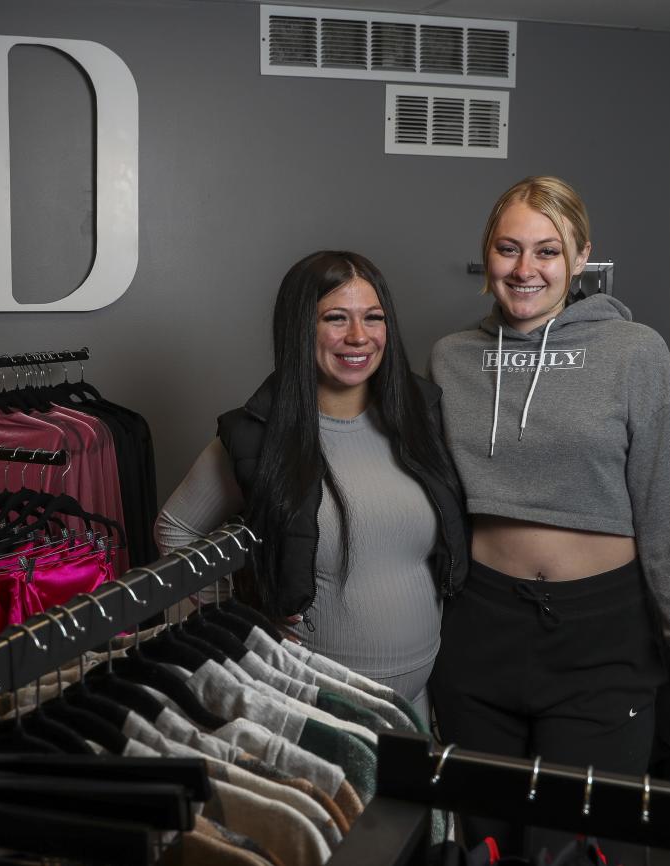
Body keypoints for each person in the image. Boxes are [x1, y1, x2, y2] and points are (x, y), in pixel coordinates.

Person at [428, 176, 670, 784]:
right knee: (481, 839)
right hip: (479, 629)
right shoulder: (451, 357)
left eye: (548, 251)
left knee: (581, 845)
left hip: (603, 638)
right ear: (488, 256)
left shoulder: (634, 352)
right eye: (508, 248)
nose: (525, 268)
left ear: (581, 258)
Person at [153, 250, 468, 721]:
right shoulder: (256, 434)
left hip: (417, 701)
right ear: (301, 328)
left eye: (373, 318)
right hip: (312, 704)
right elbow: (175, 530)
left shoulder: (421, 418)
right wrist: (248, 610)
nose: (358, 337)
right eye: (336, 318)